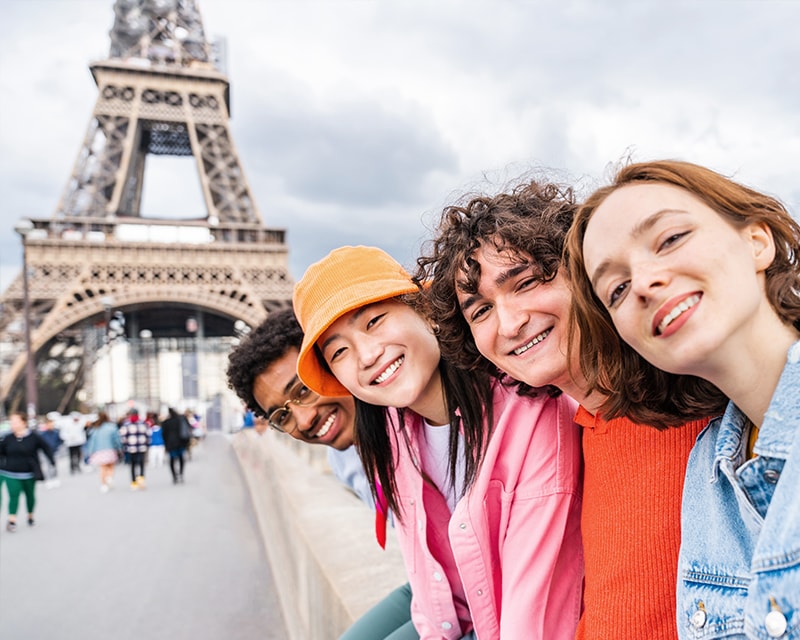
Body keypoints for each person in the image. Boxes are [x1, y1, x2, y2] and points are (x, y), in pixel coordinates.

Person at [415, 177, 717, 639]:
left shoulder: (699, 400)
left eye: (528, 282)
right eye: (480, 312)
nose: (510, 323)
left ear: (585, 272)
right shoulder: (576, 434)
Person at [293, 246, 583, 640]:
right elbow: (427, 582)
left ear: (426, 312)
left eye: (374, 322)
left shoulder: (528, 412)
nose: (365, 355)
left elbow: (535, 616)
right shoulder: (394, 430)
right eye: (339, 351)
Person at [564, 159, 800, 640]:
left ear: (757, 241)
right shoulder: (706, 473)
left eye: (670, 239)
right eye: (618, 288)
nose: (645, 283)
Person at [226, 306, 414, 640]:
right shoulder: (342, 459)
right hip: (431, 582)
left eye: (303, 390)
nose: (303, 420)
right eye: (282, 417)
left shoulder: (417, 420)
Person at [0, 412, 55, 531]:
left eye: (15, 422)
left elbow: (46, 448)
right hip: (11, 473)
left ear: (23, 422)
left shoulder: (34, 437)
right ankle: (12, 520)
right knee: (13, 496)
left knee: (30, 496)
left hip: (29, 473)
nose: (13, 425)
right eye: (11, 422)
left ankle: (30, 515)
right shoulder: (8, 438)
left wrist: (51, 461)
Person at [85, 412, 122, 492]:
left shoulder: (95, 428)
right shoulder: (112, 427)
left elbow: (92, 441)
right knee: (111, 466)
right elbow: (116, 439)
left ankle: (103, 485)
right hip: (110, 449)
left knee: (103, 468)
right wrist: (119, 448)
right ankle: (109, 478)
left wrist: (90, 452)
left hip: (99, 451)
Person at [119, 409, 150, 490]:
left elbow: (123, 437)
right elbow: (148, 435)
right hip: (141, 447)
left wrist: (125, 446)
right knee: (141, 464)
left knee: (132, 465)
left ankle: (134, 482)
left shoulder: (126, 424)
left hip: (131, 448)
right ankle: (141, 478)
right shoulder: (143, 423)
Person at [161, 408, 190, 484]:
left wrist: (166, 445)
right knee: (181, 459)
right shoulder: (181, 420)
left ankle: (174, 476)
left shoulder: (166, 422)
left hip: (171, 444)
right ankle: (181, 473)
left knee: (172, 460)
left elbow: (164, 435)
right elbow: (187, 430)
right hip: (181, 442)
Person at [38, 413, 63, 488]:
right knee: (47, 466)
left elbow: (60, 440)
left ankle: (55, 478)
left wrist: (57, 446)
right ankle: (49, 479)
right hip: (46, 452)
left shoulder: (56, 433)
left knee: (54, 465)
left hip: (54, 451)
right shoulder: (43, 434)